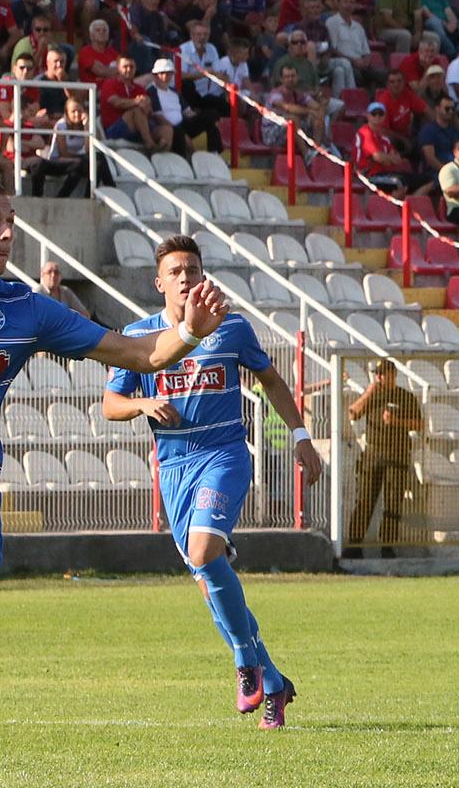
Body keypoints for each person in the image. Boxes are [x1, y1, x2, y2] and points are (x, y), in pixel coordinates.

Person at [0, 176, 230, 788]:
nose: (8, 234)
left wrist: (187, 331)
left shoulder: (24, 310)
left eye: (11, 221)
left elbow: (135, 356)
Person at [102, 236, 322, 727]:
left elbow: (271, 379)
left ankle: (245, 659)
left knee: (204, 554)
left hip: (222, 454)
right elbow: (110, 404)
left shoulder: (231, 327)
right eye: (176, 271)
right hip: (174, 466)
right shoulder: (141, 337)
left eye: (193, 269)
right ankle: (273, 681)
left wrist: (301, 435)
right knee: (209, 583)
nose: (186, 277)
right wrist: (140, 404)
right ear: (159, 282)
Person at [344, 359, 425, 555]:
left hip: (397, 454)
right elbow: (353, 414)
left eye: (382, 373)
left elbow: (419, 424)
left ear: (393, 374)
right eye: (376, 374)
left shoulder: (404, 396)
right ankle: (355, 545)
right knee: (364, 500)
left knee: (393, 503)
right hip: (373, 454)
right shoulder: (372, 395)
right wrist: (368, 393)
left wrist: (397, 422)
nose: (379, 377)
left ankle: (387, 546)